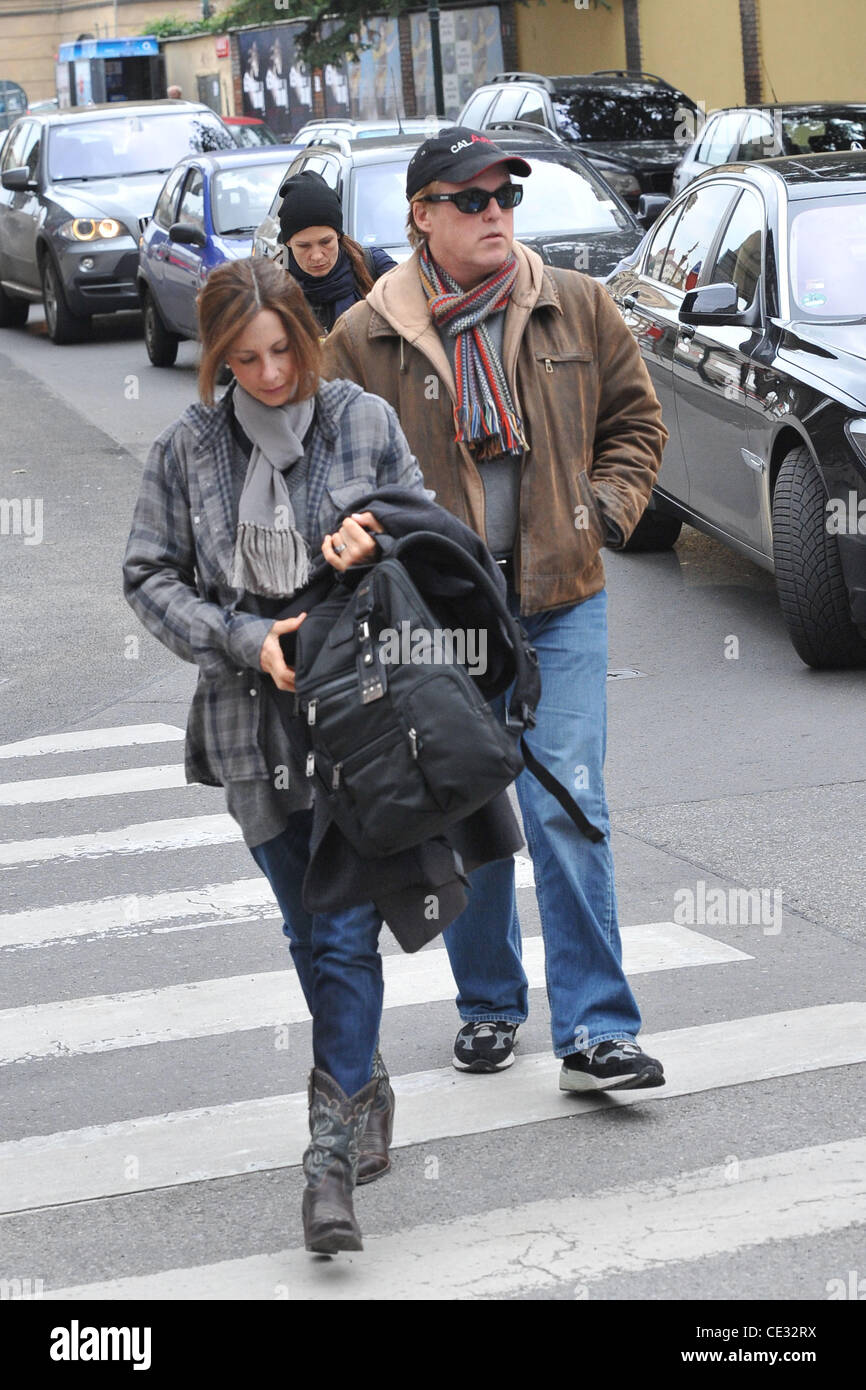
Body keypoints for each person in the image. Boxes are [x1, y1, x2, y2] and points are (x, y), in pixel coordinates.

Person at [322, 127, 670, 1093]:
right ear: (422, 215)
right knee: (471, 805)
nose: (495, 217)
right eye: (471, 201)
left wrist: (598, 514)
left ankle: (597, 1031)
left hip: (561, 600)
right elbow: (331, 475)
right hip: (440, 622)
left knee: (569, 805)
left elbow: (637, 423)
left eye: (505, 199)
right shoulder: (363, 336)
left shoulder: (578, 305)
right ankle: (489, 1005)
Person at [122, 258, 431, 1254]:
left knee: (342, 940)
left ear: (305, 336)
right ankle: (365, 1080)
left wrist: (371, 539)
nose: (267, 375)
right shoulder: (187, 452)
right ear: (218, 358)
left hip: (360, 723)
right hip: (252, 732)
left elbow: (428, 533)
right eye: (244, 359)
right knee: (309, 936)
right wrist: (241, 637)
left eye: (281, 351)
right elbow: (147, 574)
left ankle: (327, 1168)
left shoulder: (361, 421)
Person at [277, 171, 396, 335]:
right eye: (304, 246)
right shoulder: (273, 287)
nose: (317, 256)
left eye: (326, 242)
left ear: (338, 235)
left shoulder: (373, 265)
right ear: (288, 243)